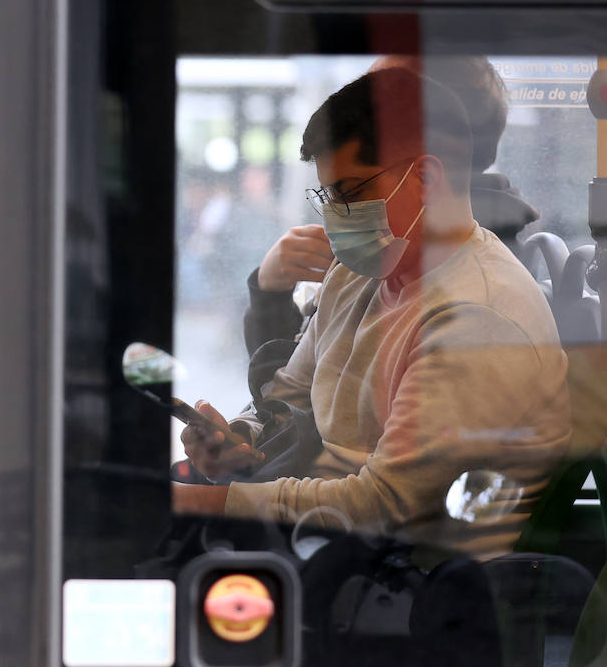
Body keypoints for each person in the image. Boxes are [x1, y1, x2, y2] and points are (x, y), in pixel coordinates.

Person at [175, 67, 571, 559]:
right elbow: (288, 399)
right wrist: (241, 439)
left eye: (350, 193)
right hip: (330, 545)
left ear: (425, 179)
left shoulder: (478, 316)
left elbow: (387, 505)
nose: (334, 216)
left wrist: (210, 503)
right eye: (327, 196)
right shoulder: (359, 273)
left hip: (410, 583)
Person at [242, 56, 540, 364]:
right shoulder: (394, 244)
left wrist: (270, 296)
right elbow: (297, 386)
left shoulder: (464, 280)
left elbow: (316, 396)